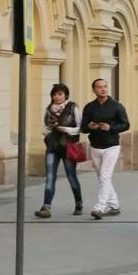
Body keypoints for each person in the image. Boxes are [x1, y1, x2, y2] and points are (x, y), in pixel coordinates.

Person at [81, 78, 130, 219]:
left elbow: (126, 124)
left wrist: (111, 128)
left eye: (105, 86)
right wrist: (90, 126)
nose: (103, 89)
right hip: (95, 145)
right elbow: (83, 128)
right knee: (103, 178)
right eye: (99, 87)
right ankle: (114, 205)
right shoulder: (90, 107)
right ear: (94, 90)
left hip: (112, 146)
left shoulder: (116, 106)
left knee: (104, 176)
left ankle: (100, 207)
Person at [36, 83, 83, 218]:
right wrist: (50, 129)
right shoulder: (49, 109)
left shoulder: (73, 107)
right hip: (52, 146)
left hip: (68, 146)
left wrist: (66, 129)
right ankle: (46, 207)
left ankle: (78, 203)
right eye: (54, 94)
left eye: (60, 94)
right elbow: (43, 130)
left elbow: (80, 128)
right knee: (50, 176)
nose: (57, 97)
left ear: (66, 95)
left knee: (71, 176)